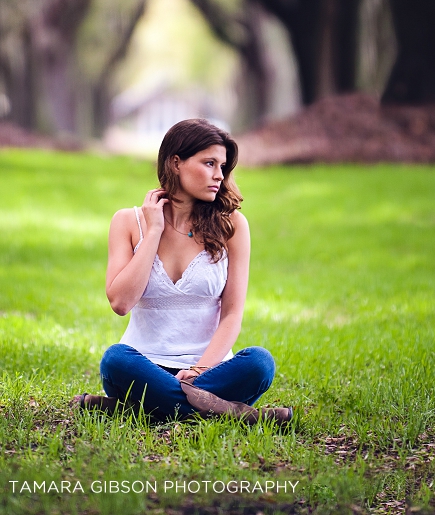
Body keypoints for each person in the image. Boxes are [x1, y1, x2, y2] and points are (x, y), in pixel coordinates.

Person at [72, 119, 291, 425]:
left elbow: (232, 315)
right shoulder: (127, 222)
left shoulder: (233, 226)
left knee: (259, 363)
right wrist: (153, 233)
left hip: (210, 371)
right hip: (143, 367)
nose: (219, 175)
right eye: (209, 163)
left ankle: (137, 409)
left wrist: (200, 370)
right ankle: (231, 412)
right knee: (115, 359)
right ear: (176, 163)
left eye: (222, 166)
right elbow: (120, 303)